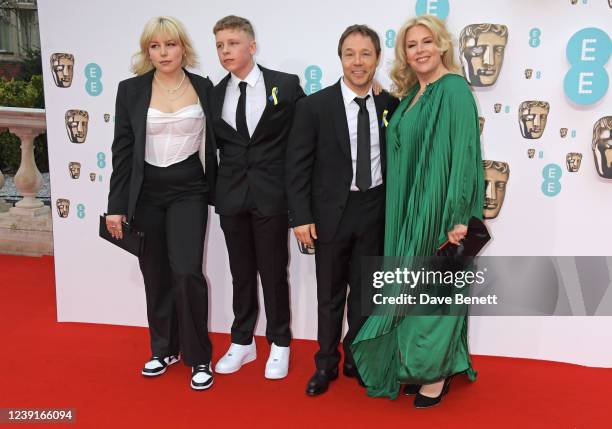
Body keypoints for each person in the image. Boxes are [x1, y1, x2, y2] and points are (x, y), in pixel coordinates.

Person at [350, 15, 485, 408]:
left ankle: (436, 372)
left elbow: (464, 156)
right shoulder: (409, 97)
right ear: (404, 54)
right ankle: (414, 362)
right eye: (412, 45)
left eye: (427, 42)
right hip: (405, 210)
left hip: (439, 208)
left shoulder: (455, 90)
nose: (420, 50)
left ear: (442, 45)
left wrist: (460, 216)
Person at [105, 16, 217, 391]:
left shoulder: (205, 88)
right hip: (146, 193)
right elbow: (122, 152)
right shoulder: (131, 90)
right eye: (155, 46)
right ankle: (164, 348)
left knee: (186, 272)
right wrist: (116, 205)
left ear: (183, 47)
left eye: (170, 44)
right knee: (155, 273)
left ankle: (199, 357)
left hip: (189, 190)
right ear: (146, 51)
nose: (163, 52)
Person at [286, 24, 399, 396]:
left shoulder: (389, 105)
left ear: (377, 58)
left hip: (375, 209)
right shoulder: (313, 107)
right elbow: (297, 167)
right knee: (330, 294)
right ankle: (325, 364)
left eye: (366, 54)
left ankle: (356, 355)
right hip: (332, 214)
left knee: (366, 293)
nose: (358, 61)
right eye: (350, 53)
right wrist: (300, 217)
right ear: (340, 58)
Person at [210, 15, 305, 380]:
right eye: (219, 45)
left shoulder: (285, 84)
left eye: (232, 43)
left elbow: (306, 132)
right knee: (240, 273)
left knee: (273, 273)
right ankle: (242, 341)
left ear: (251, 46)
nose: (225, 51)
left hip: (272, 195)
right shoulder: (214, 92)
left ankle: (280, 343)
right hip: (232, 196)